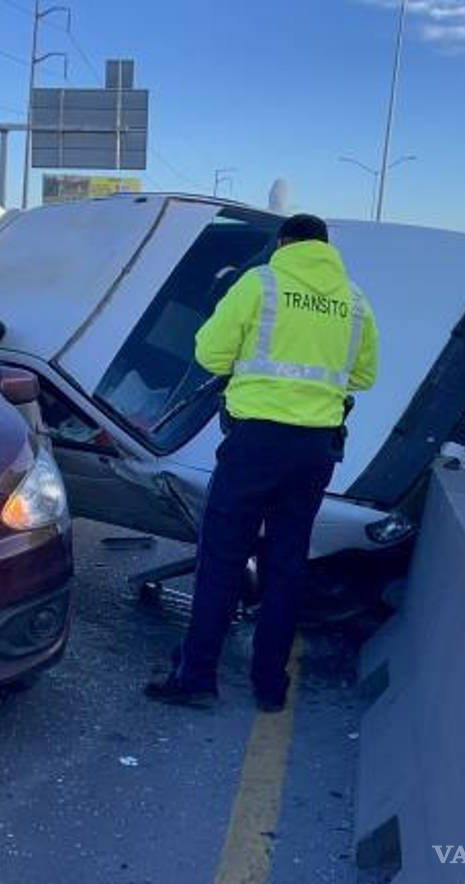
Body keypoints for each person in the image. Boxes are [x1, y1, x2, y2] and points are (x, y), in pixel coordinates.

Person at [144, 213, 379, 713]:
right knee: (287, 563)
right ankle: (270, 684)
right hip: (316, 450)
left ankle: (197, 676)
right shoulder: (354, 299)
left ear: (283, 242)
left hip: (255, 445)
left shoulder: (262, 283)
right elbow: (363, 376)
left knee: (223, 558)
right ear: (325, 247)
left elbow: (210, 353)